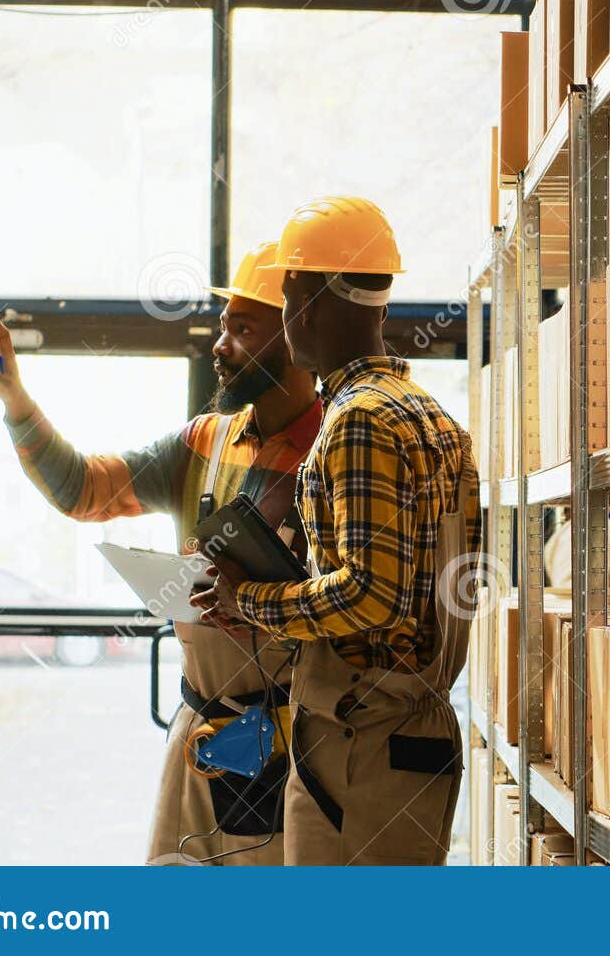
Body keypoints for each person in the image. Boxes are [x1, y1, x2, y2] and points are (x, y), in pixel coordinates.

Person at [0, 241, 320, 866]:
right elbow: (84, 490)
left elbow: (363, 601)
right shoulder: (201, 442)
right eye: (221, 326)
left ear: (291, 338)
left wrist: (262, 605)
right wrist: (14, 399)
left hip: (288, 742)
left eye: (241, 329)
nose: (219, 344)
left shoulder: (335, 451)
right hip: (202, 730)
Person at [190, 196, 481, 866]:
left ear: (308, 301)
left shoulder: (358, 420)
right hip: (410, 734)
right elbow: (412, 597)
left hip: (359, 744)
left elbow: (368, 596)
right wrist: (281, 608)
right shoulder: (433, 418)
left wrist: (249, 601)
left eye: (287, 296)